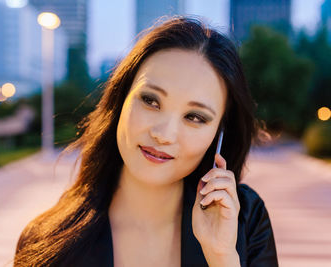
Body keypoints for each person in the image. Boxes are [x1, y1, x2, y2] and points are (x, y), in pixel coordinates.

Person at [14, 16, 278, 267]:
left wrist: (221, 256)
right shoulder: (47, 238)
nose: (163, 134)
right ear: (121, 100)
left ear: (219, 135)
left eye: (195, 117)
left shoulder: (244, 220)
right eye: (151, 101)